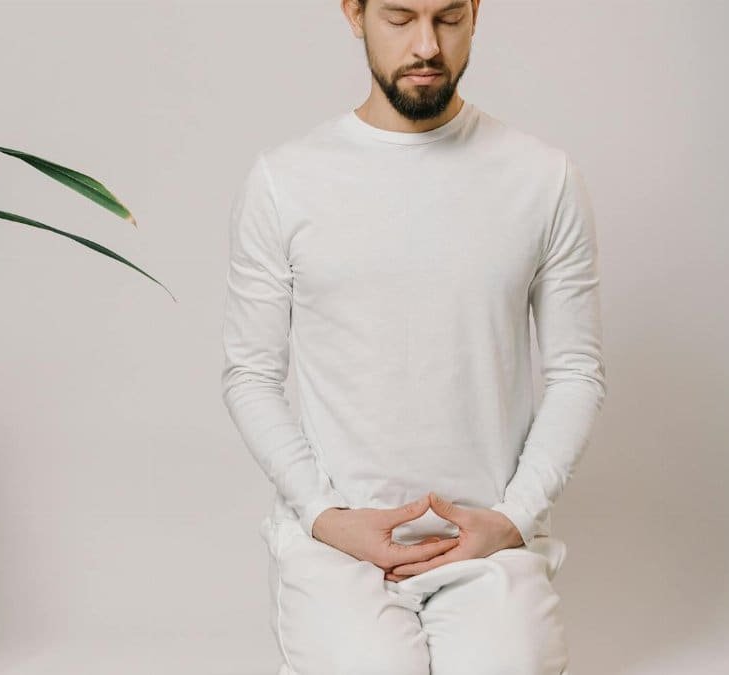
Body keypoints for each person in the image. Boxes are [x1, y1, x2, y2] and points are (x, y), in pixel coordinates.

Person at [219, 0, 606, 673]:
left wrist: (513, 519)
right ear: (355, 13)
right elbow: (249, 374)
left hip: (487, 539)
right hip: (339, 542)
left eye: (448, 18)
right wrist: (322, 514)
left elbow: (576, 371)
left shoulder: (543, 179)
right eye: (400, 18)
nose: (427, 45)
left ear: (476, 13)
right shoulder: (285, 181)